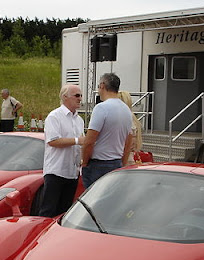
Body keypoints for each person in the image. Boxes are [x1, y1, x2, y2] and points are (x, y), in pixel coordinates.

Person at [38, 84, 85, 217]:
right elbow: (53, 141)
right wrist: (77, 140)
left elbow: (80, 143)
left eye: (80, 95)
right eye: (76, 95)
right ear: (65, 97)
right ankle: (43, 236)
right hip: (56, 171)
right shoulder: (55, 116)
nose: (80, 98)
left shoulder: (79, 120)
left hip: (72, 172)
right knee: (48, 211)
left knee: (64, 212)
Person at [81, 73, 133, 188]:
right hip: (116, 161)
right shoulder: (126, 110)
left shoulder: (101, 108)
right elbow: (129, 141)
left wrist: (84, 162)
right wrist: (123, 162)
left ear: (102, 85)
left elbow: (89, 141)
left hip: (98, 164)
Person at [118, 90, 144, 164]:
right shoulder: (133, 119)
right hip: (128, 157)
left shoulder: (126, 119)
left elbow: (130, 143)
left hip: (124, 159)